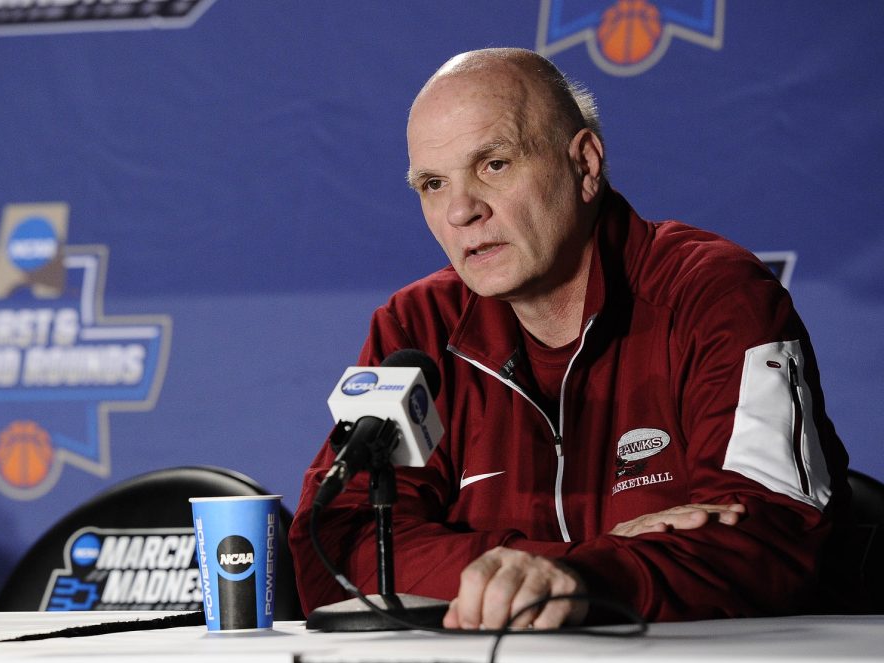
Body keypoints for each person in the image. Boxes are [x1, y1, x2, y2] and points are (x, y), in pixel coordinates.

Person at [288, 47, 852, 629]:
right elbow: (336, 547)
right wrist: (567, 569)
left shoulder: (714, 296)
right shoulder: (417, 326)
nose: (460, 211)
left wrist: (580, 581)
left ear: (584, 165)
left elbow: (771, 534)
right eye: (432, 183)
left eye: (494, 164)